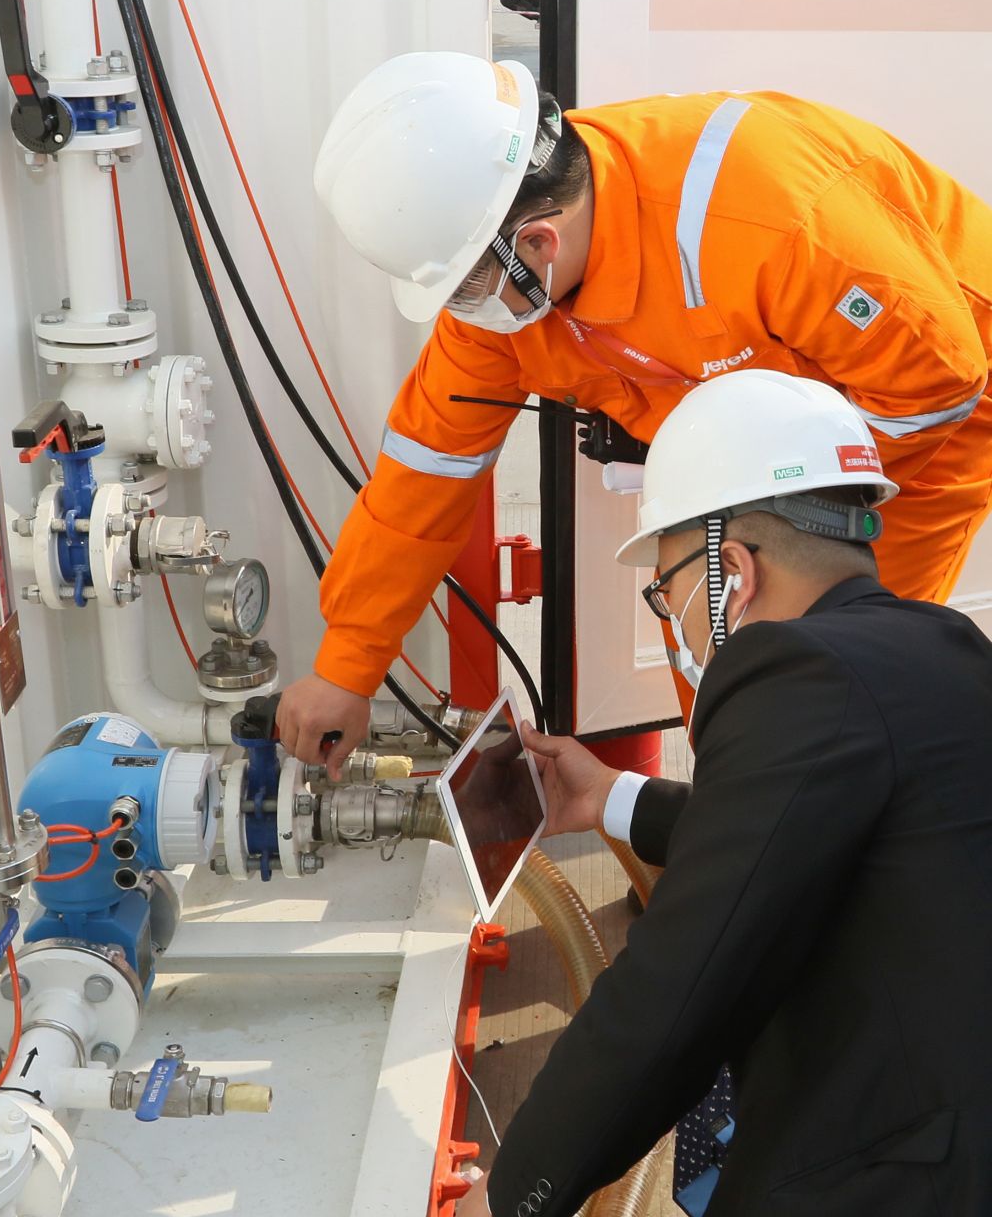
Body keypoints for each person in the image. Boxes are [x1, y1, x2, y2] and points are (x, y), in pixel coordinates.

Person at [443, 369, 992, 1217]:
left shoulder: (789, 673)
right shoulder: (937, 647)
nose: (677, 628)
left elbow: (676, 987)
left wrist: (507, 1193)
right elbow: (797, 849)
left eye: (667, 596)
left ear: (728, 572)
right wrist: (611, 797)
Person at [277, 51, 992, 770]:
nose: (464, 312)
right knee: (718, 659)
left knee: (831, 680)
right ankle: (738, 808)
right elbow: (424, 476)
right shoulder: (506, 300)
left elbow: (939, 382)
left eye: (465, 287)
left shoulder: (770, 220)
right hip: (762, 438)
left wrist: (773, 519)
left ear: (537, 242)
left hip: (922, 407)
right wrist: (348, 666)